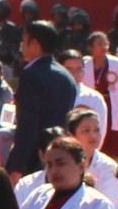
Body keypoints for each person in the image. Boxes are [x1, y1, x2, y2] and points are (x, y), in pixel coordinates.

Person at [7, 20, 80, 176]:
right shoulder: (66, 75)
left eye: (24, 41)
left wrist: (16, 165)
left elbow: (28, 125)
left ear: (35, 44)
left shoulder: (31, 75)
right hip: (61, 154)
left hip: (35, 159)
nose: (21, 45)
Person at [17, 133, 118, 209]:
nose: (54, 171)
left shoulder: (98, 205)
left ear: (81, 166)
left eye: (61, 164)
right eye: (49, 165)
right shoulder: (39, 194)